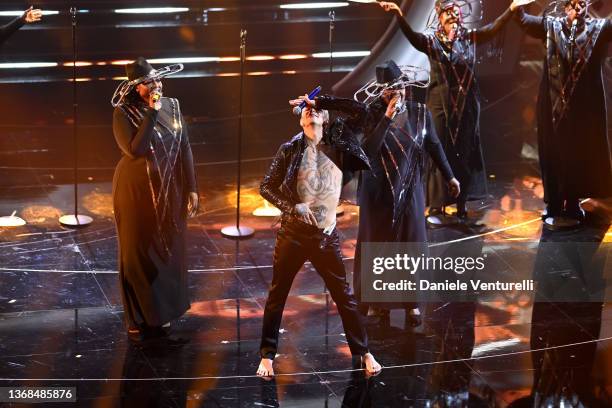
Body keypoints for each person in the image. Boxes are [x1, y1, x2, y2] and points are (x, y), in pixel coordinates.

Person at [292, 60, 460, 328]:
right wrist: (385, 117)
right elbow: (367, 148)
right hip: (378, 189)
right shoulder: (369, 114)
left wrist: (449, 175)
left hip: (410, 188)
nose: (395, 94)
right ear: (380, 91)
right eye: (388, 90)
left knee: (410, 243)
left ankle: (411, 303)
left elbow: (433, 145)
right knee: (379, 245)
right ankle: (378, 304)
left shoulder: (420, 112)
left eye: (398, 88)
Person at [257, 103, 381, 377]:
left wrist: (324, 99)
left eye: (317, 109)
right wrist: (293, 207)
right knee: (277, 294)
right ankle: (267, 355)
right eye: (306, 109)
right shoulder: (289, 149)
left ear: (326, 118)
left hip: (325, 236)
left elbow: (362, 113)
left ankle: (363, 351)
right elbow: (266, 186)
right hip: (293, 234)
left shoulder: (338, 145)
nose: (311, 111)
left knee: (344, 297)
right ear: (299, 121)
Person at [379, 1, 524, 224]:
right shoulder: (431, 42)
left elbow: (495, 27)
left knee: (463, 153)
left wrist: (512, 9)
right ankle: (437, 204)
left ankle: (461, 202)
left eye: (456, 16)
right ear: (440, 17)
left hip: (466, 107)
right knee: (440, 151)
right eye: (449, 16)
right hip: (439, 106)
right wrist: (399, 13)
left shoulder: (470, 39)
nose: (454, 19)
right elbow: (411, 35)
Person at [111, 57, 199, 343]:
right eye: (149, 83)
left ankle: (160, 313)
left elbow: (184, 144)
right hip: (135, 191)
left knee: (167, 249)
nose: (156, 85)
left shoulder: (172, 106)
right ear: (137, 88)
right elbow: (136, 150)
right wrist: (151, 112)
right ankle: (137, 317)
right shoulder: (124, 114)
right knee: (137, 254)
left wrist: (192, 187)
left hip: (168, 185)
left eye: (157, 80)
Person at [513, 0, 612, 228]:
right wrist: (517, 6)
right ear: (565, 6)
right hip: (552, 105)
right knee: (552, 155)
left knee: (578, 156)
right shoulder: (551, 26)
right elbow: (525, 21)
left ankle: (573, 202)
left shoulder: (598, 28)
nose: (575, 8)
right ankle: (554, 203)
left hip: (582, 110)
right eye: (571, 4)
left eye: (580, 4)